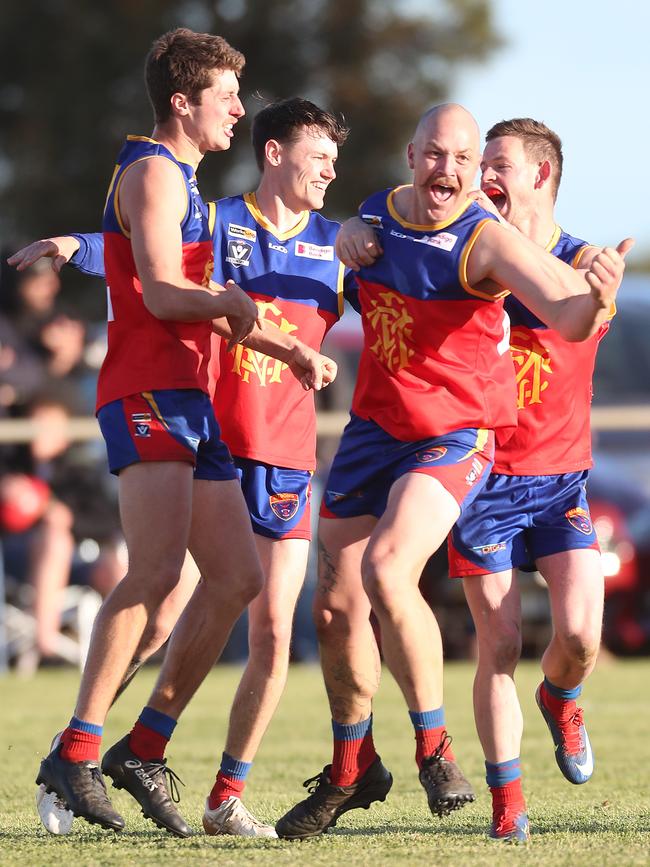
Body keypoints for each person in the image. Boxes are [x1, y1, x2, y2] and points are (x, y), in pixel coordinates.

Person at [273, 103, 631, 841]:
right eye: (441, 156)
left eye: (471, 162)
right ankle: (354, 766)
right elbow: (320, 256)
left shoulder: (489, 240)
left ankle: (451, 741)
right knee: (336, 608)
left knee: (402, 576)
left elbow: (566, 311)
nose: (456, 172)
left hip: (477, 446)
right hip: (380, 432)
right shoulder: (376, 215)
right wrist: (341, 234)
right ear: (411, 156)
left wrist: (595, 296)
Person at [15, 29, 329, 836]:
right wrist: (230, 305)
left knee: (233, 581)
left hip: (190, 398)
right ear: (182, 102)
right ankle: (74, 753)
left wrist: (288, 346)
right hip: (148, 391)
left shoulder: (183, 180)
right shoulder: (154, 171)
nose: (238, 107)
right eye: (226, 95)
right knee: (154, 574)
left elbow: (206, 299)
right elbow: (161, 291)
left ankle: (137, 746)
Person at [445, 117, 624, 842]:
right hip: (481, 481)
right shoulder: (471, 256)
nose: (483, 173)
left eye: (498, 162)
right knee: (501, 642)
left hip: (558, 483)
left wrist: (605, 294)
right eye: (481, 161)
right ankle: (507, 801)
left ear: (541, 174)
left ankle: (562, 697)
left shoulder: (583, 260)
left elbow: (586, 315)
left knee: (580, 633)